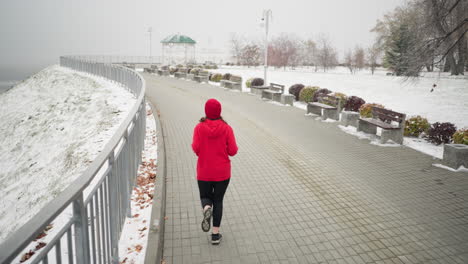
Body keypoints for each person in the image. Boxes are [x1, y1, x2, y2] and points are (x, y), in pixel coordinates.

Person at [191, 98, 238, 245]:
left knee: (206, 196)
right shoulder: (227, 128)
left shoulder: (199, 128)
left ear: (206, 111)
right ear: (219, 111)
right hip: (222, 173)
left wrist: (205, 152)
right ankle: (215, 235)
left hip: (204, 171)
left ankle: (206, 208)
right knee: (218, 200)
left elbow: (195, 148)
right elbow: (233, 151)